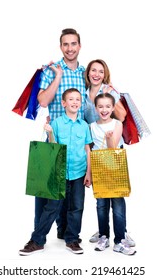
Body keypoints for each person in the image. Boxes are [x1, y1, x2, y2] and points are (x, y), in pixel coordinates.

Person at [35, 28, 86, 241]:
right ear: (61, 47)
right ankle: (38, 236)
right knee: (49, 191)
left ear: (79, 46)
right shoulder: (51, 71)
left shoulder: (84, 73)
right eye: (66, 44)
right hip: (55, 138)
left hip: (78, 140)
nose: (70, 48)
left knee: (73, 190)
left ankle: (65, 232)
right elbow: (43, 101)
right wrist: (58, 76)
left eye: (73, 44)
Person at [84, 59, 135, 247]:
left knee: (117, 196)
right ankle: (104, 231)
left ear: (105, 74)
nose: (96, 74)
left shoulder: (109, 90)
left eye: (100, 71)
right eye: (93, 70)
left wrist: (110, 93)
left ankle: (121, 233)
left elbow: (121, 116)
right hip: (96, 148)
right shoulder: (84, 92)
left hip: (112, 145)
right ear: (88, 73)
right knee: (102, 199)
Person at [44, 88, 92, 254]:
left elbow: (87, 149)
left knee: (77, 206)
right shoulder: (56, 123)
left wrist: (88, 173)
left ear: (81, 103)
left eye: (77, 99)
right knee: (52, 207)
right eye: (71, 99)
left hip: (79, 172)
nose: (74, 102)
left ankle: (72, 239)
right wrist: (50, 133)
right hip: (60, 172)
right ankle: (37, 239)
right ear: (64, 103)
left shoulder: (84, 126)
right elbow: (53, 148)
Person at [90, 93, 136, 255]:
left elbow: (112, 149)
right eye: (100, 106)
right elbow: (89, 150)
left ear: (112, 108)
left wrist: (109, 139)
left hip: (115, 168)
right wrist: (89, 173)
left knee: (117, 205)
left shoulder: (117, 124)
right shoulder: (92, 126)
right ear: (95, 108)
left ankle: (120, 240)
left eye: (108, 106)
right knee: (101, 205)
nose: (104, 110)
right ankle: (104, 236)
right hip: (98, 169)